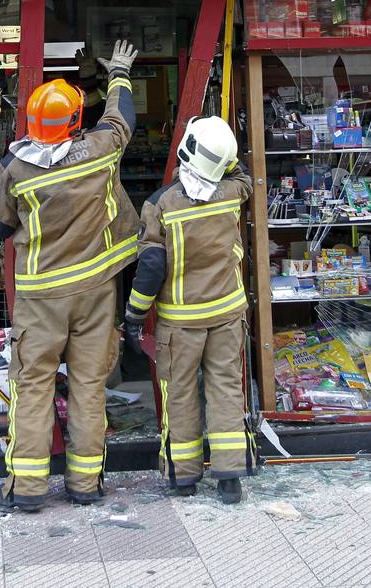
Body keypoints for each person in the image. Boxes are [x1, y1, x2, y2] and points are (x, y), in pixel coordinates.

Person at [0, 39, 139, 513]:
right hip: (94, 292)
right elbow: (121, 120)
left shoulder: (14, 167)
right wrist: (117, 74)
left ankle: (27, 489)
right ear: (74, 122)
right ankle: (85, 485)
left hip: (39, 296)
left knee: (33, 387)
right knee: (90, 387)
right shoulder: (99, 150)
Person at [123, 116, 256, 505]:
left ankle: (184, 476)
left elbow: (150, 269)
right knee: (225, 389)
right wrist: (225, 159)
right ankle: (230, 477)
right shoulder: (233, 192)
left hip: (181, 322)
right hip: (228, 313)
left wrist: (133, 315)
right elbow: (240, 172)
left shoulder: (160, 204)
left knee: (179, 394)